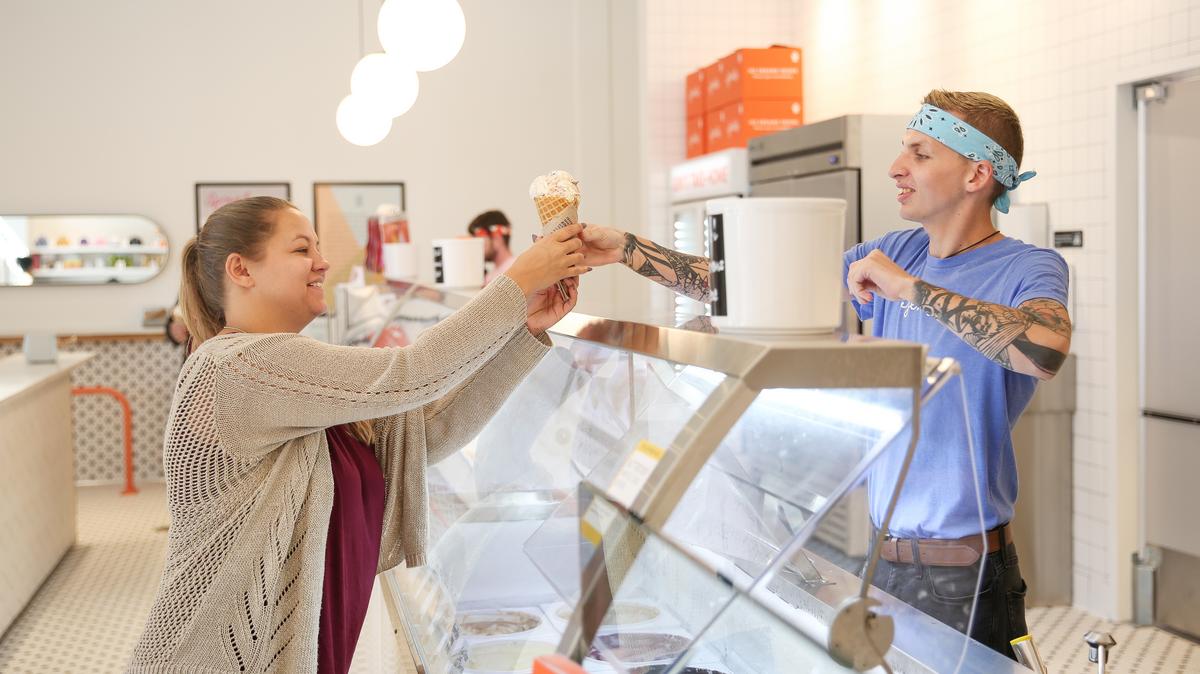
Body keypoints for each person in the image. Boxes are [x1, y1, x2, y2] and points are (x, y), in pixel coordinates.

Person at [578, 90, 1071, 660]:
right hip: (881, 564)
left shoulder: (1027, 266)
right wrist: (626, 250)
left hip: (968, 573)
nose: (896, 167)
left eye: (920, 153)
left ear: (976, 174)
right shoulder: (896, 249)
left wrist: (909, 290)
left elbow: (1045, 350)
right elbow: (753, 286)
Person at [128, 196, 587, 673]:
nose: (323, 263)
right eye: (303, 249)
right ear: (241, 270)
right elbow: (414, 370)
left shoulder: (289, 369)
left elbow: (427, 432)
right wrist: (516, 283)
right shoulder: (233, 367)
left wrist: (522, 331)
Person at [467, 209, 517, 285]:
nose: (476, 247)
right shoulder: (489, 277)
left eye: (479, 239)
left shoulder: (515, 270)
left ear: (497, 236)